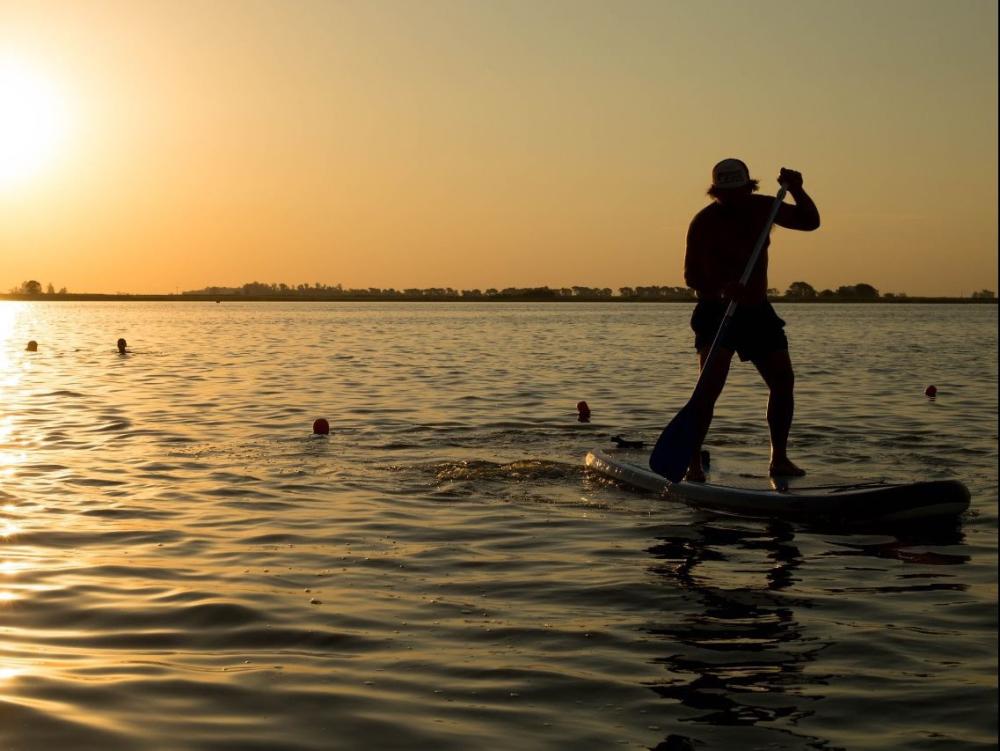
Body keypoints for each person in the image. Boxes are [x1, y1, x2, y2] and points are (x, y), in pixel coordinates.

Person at [683, 158, 820, 481]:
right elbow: (691, 276)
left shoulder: (764, 208)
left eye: (739, 192)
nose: (732, 200)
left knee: (783, 381)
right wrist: (721, 289)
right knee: (709, 388)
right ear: (715, 192)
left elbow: (810, 222)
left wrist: (798, 190)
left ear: (749, 187)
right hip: (717, 312)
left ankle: (779, 460)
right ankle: (691, 464)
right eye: (724, 194)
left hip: (757, 312)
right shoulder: (704, 222)